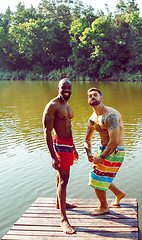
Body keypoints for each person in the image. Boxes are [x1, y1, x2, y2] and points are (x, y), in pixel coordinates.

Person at [42, 78, 78, 234]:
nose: (67, 90)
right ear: (58, 88)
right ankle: (63, 219)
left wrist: (74, 147)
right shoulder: (52, 106)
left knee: (61, 176)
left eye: (69, 88)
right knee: (64, 179)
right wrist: (52, 155)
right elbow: (47, 132)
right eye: (64, 87)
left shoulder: (67, 105)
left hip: (68, 143)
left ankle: (59, 203)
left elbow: (68, 127)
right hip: (59, 144)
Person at [84, 87, 126, 216]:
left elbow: (114, 142)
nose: (92, 97)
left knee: (95, 178)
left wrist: (100, 159)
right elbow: (87, 140)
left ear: (101, 98)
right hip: (103, 149)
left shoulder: (110, 116)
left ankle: (104, 207)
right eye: (90, 95)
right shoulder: (92, 119)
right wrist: (89, 154)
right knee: (100, 174)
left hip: (115, 150)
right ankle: (118, 193)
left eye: (95, 95)